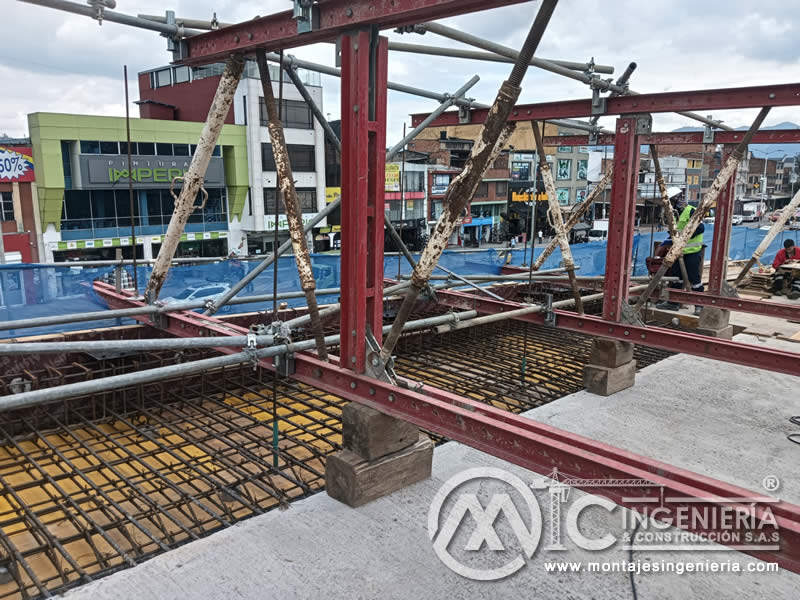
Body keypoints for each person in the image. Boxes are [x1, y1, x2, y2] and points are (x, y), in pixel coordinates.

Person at [655, 188, 705, 313]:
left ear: (676, 199)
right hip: (678, 252)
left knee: (694, 279)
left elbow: (700, 228)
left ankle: (699, 306)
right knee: (677, 278)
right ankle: (673, 303)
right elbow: (674, 233)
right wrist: (666, 242)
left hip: (691, 251)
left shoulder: (691, 211)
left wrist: (682, 237)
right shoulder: (675, 214)